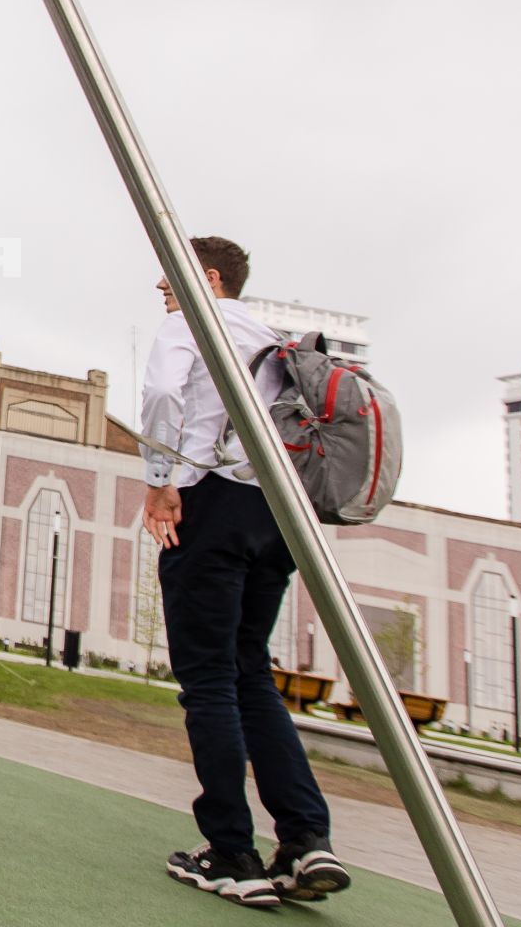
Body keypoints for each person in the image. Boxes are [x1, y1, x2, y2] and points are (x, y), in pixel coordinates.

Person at [141, 236, 348, 907]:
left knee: (207, 678)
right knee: (249, 671)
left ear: (206, 277)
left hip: (215, 503)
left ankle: (232, 853)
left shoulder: (189, 323)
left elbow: (164, 392)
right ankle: (305, 838)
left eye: (169, 277)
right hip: (279, 514)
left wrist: (159, 481)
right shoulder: (271, 339)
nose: (161, 291)